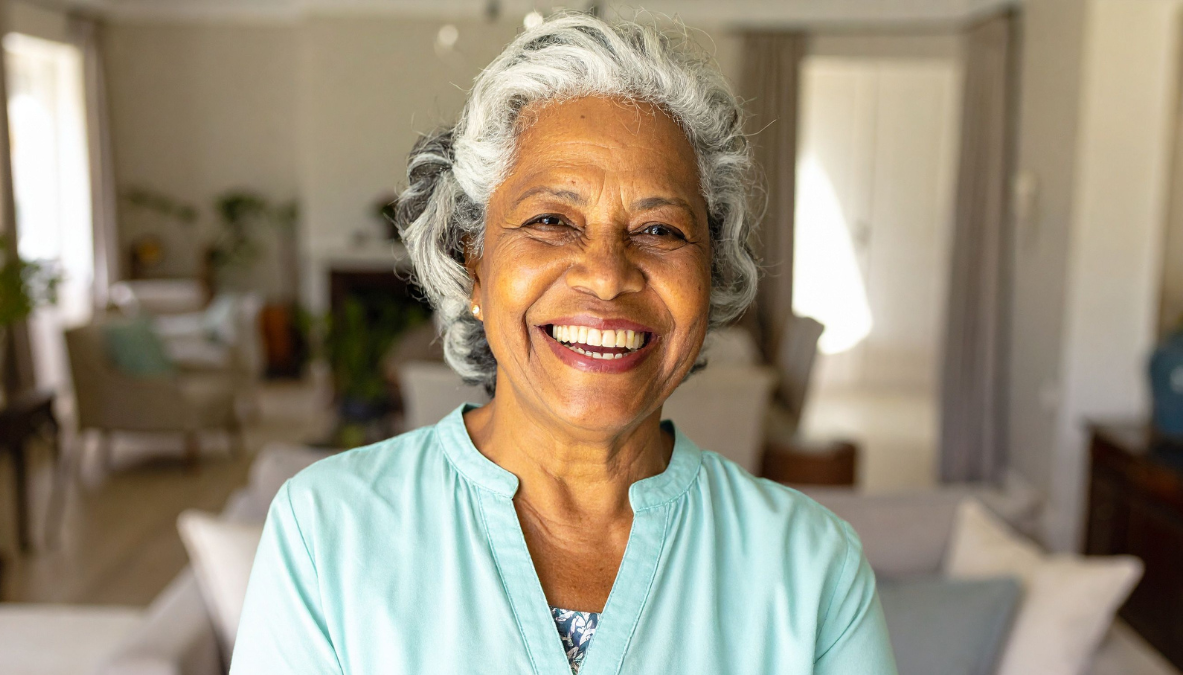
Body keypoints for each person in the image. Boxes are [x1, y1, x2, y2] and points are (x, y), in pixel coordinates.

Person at [231, 12, 896, 675]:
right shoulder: (327, 532)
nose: (606, 275)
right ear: (475, 265)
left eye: (661, 230)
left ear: (711, 275)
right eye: (552, 220)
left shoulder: (812, 568)